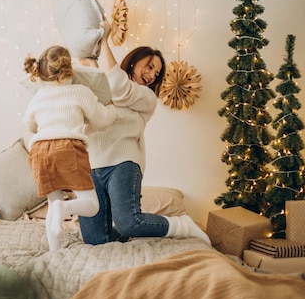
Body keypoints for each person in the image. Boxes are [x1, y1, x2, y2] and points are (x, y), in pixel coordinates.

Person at [78, 21, 211, 245]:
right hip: (92, 165)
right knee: (94, 239)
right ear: (136, 60)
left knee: (129, 222)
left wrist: (105, 41)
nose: (151, 75)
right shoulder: (105, 84)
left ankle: (181, 224)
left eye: (156, 73)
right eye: (149, 66)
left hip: (123, 163)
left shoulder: (146, 98)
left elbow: (119, 88)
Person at [23, 45, 117, 250]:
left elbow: (29, 125)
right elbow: (101, 120)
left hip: (39, 151)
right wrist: (111, 108)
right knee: (92, 205)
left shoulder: (39, 96)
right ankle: (63, 208)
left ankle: (54, 250)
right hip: (68, 147)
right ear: (70, 69)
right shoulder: (80, 92)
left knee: (53, 199)